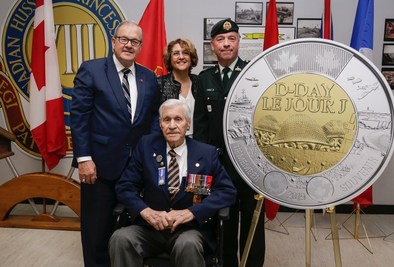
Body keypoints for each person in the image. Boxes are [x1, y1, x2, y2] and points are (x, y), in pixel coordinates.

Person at [70, 20, 160, 267]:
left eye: (134, 41)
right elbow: (79, 117)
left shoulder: (149, 77)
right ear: (113, 41)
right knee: (97, 231)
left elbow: (153, 118)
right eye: (124, 39)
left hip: (136, 169)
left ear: (141, 46)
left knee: (129, 231)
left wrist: (148, 155)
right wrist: (84, 159)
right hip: (99, 166)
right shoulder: (92, 70)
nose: (129, 45)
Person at [109, 99, 236, 267]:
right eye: (166, 120)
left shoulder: (206, 153)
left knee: (188, 244)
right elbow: (125, 186)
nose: (172, 125)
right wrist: (144, 211)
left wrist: (193, 212)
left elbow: (227, 191)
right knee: (120, 238)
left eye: (178, 119)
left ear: (188, 124)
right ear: (160, 124)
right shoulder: (146, 146)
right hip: (150, 229)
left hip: (189, 229)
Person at [193, 19, 266, 267]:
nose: (226, 44)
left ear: (238, 42)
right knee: (222, 222)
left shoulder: (253, 74)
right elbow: (201, 127)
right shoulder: (204, 80)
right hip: (219, 166)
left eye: (231, 39)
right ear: (212, 45)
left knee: (252, 224)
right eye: (220, 40)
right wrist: (203, 166)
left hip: (250, 167)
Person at [158, 38, 199, 137]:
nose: (181, 57)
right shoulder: (159, 84)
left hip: (197, 142)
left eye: (185, 53)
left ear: (191, 58)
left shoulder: (200, 82)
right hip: (168, 141)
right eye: (176, 53)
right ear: (170, 58)